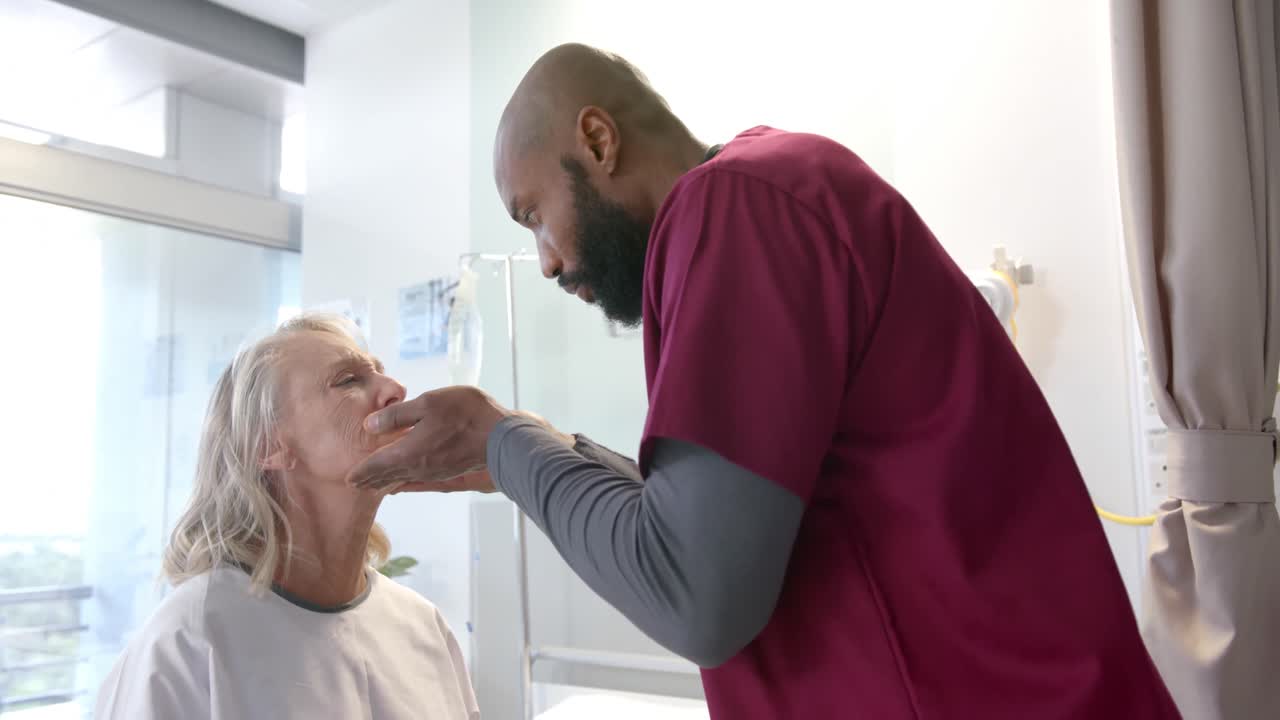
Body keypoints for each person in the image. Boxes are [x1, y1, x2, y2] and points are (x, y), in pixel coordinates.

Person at [349, 44, 1182, 719]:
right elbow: (711, 525)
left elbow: (696, 595)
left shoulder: (740, 208)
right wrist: (534, 453)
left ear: (597, 141)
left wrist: (504, 446)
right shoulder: (775, 191)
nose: (547, 263)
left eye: (533, 215)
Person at [95, 314, 479, 720]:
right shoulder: (190, 638)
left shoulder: (421, 625)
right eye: (348, 380)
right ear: (269, 445)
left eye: (380, 372)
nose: (395, 388)